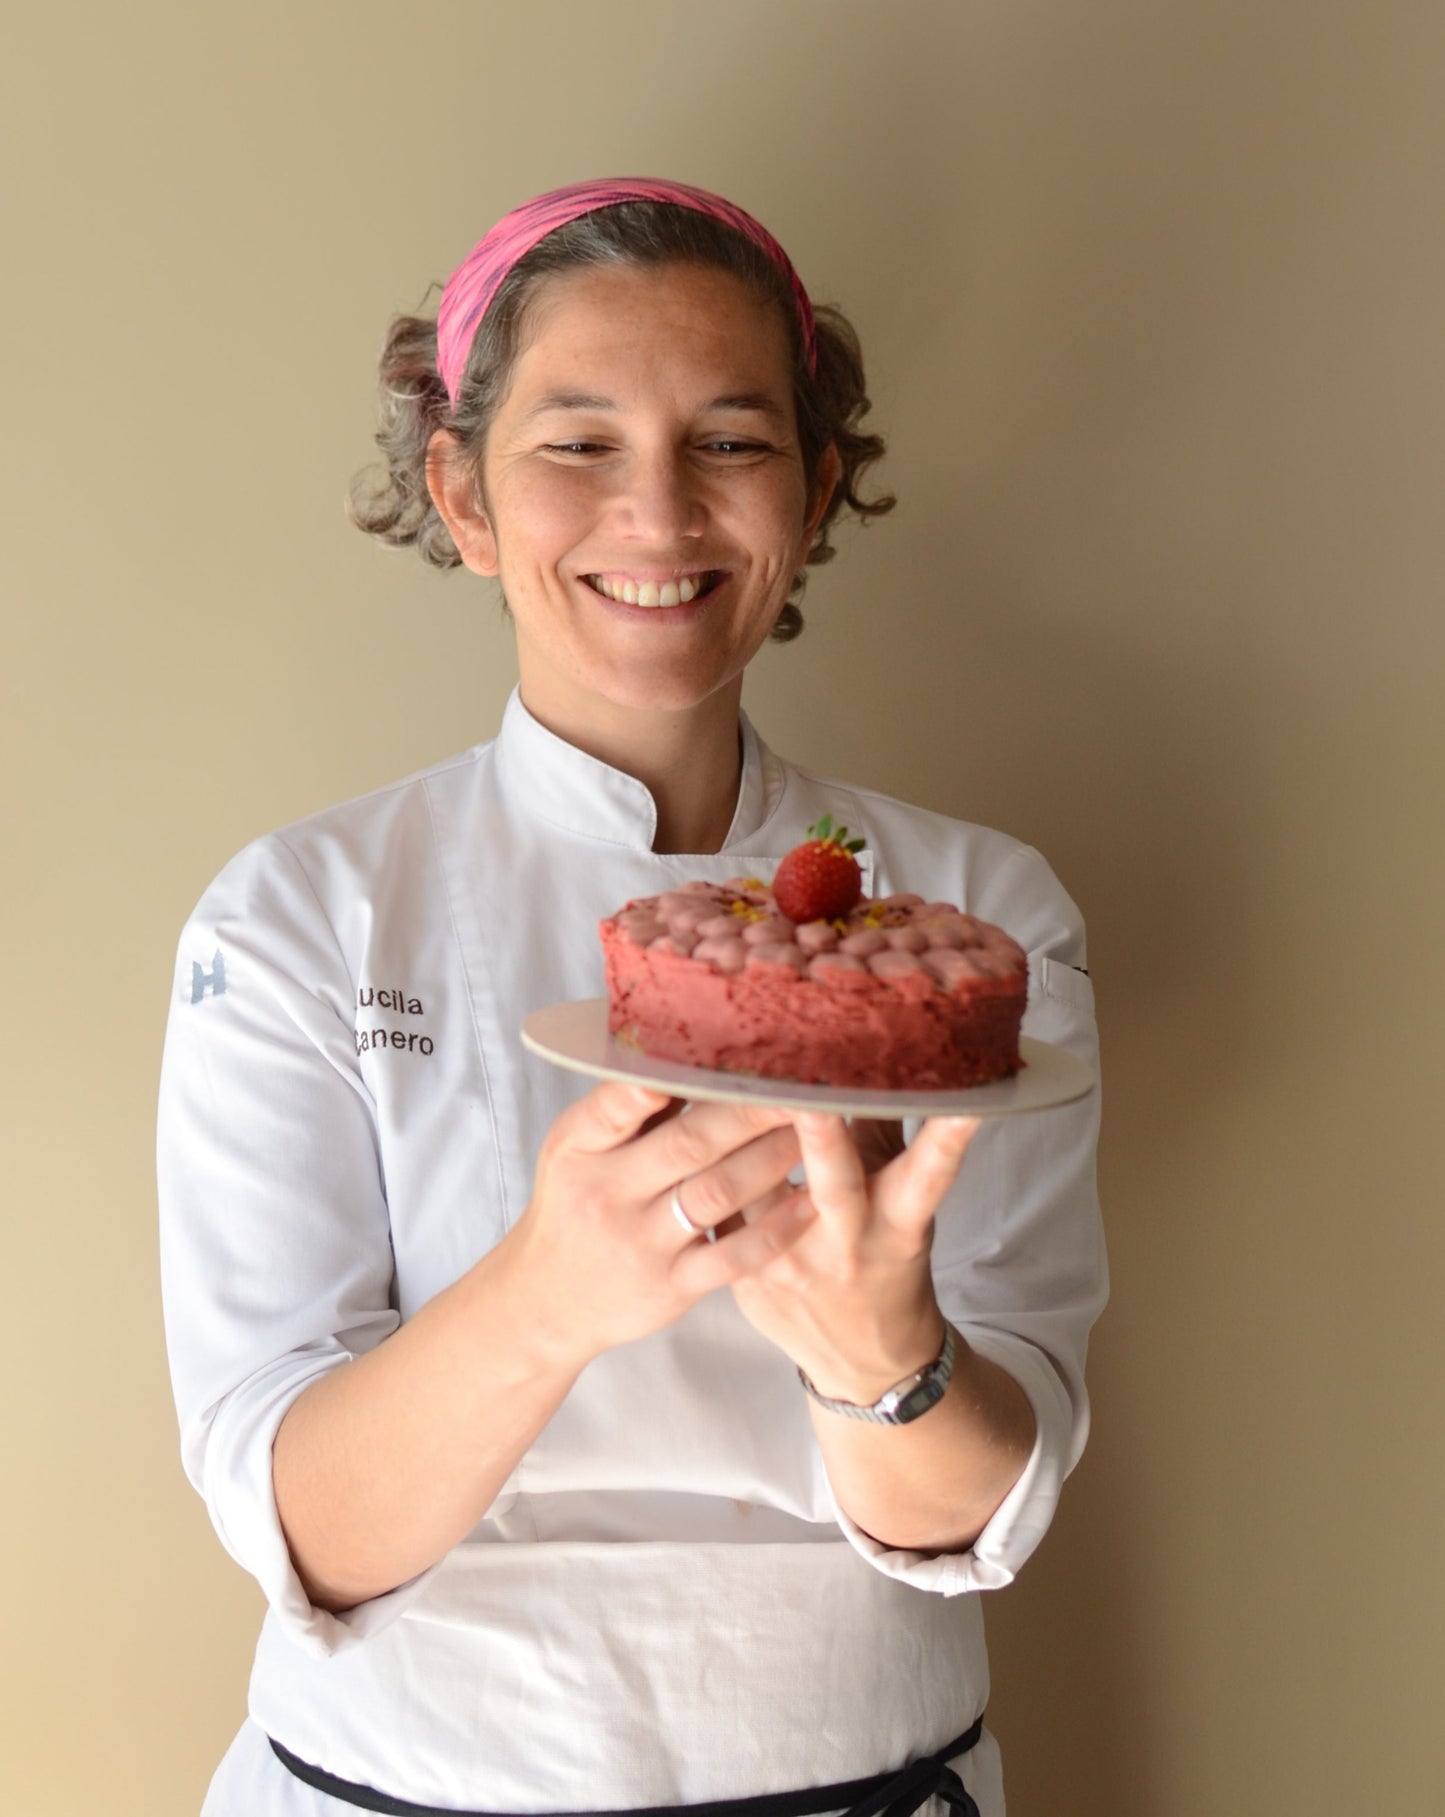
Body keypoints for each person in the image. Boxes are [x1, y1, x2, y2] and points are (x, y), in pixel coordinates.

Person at [158, 178, 1105, 1817]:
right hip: (395, 1784)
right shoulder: (301, 914)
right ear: (460, 494)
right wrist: (549, 1291)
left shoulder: (977, 920)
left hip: (864, 1779)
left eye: (731, 441)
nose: (656, 514)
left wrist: (875, 1353)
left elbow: (974, 1510)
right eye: (576, 441)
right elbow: (299, 1521)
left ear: (812, 494)